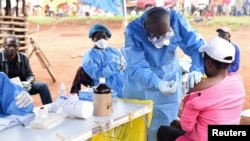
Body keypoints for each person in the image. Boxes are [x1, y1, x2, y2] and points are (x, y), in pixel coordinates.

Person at [121, 7, 205, 141]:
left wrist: (197, 68)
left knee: (165, 123)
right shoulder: (133, 30)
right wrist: (157, 82)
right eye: (156, 36)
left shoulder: (176, 20)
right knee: (138, 125)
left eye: (165, 35)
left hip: (169, 74)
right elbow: (136, 65)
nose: (162, 40)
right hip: (139, 84)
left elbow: (196, 45)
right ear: (146, 27)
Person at [157, 37, 246, 141]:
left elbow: (187, 127)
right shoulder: (238, 81)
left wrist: (182, 122)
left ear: (208, 63)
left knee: (164, 131)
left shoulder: (198, 95)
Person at [70, 24, 125, 98]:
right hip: (105, 85)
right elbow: (97, 74)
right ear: (93, 39)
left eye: (104, 37)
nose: (102, 39)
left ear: (108, 38)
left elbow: (122, 65)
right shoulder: (90, 55)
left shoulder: (113, 50)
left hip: (121, 81)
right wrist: (114, 67)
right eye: (98, 37)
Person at [0, 36, 53, 105]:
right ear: (4, 46)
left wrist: (27, 82)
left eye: (15, 46)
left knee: (43, 86)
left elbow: (30, 75)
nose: (12, 48)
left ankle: (49, 109)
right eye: (9, 46)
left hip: (21, 87)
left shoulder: (24, 58)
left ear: (18, 47)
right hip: (4, 88)